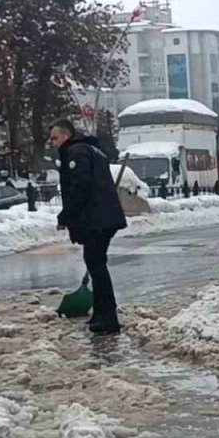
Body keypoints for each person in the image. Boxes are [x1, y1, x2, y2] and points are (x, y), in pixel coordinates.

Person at [50, 119, 128, 335]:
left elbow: (79, 188)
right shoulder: (91, 150)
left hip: (98, 219)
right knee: (96, 264)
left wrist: (65, 216)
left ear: (66, 135)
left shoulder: (76, 153)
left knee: (97, 266)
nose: (53, 143)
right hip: (102, 218)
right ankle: (101, 314)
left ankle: (108, 319)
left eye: (55, 138)